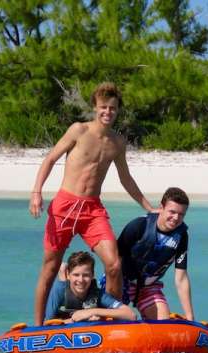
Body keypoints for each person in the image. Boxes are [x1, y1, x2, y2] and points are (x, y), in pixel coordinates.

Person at [29, 82, 153, 326]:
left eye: (113, 108)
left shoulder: (117, 142)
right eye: (103, 107)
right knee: (51, 268)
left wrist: (149, 207)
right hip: (65, 206)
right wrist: (36, 192)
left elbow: (125, 178)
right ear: (95, 107)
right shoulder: (79, 130)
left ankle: (110, 321)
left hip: (92, 210)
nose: (108, 112)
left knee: (114, 264)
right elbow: (50, 159)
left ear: (118, 110)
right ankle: (38, 326)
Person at [112, 187, 194, 321]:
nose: (176, 218)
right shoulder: (139, 225)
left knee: (163, 324)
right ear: (161, 208)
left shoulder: (181, 236)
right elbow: (114, 261)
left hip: (148, 287)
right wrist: (116, 291)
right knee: (115, 320)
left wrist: (190, 317)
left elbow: (181, 277)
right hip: (120, 281)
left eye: (181, 214)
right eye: (172, 212)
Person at [45, 251, 136, 323]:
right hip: (67, 324)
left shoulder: (98, 294)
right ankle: (62, 272)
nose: (81, 280)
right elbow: (46, 324)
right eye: (76, 275)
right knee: (62, 282)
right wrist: (75, 320)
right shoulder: (59, 290)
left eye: (86, 275)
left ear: (93, 275)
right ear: (68, 275)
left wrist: (92, 312)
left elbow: (131, 315)